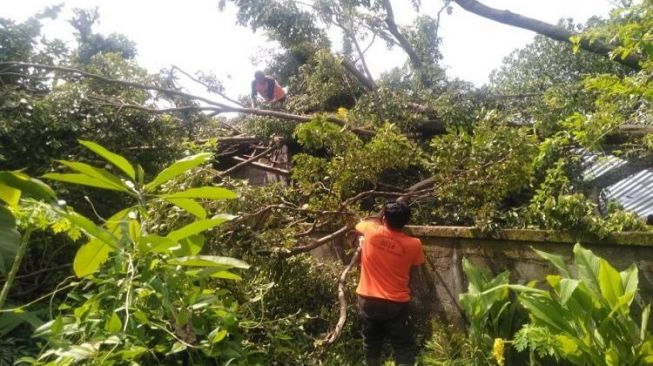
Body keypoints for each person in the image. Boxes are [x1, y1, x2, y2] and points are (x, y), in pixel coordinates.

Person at [355, 201, 425, 366]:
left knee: (371, 344)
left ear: (384, 218)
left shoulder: (371, 231)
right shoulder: (414, 244)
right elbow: (417, 265)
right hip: (397, 304)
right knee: (403, 347)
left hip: (368, 300)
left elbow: (359, 224)